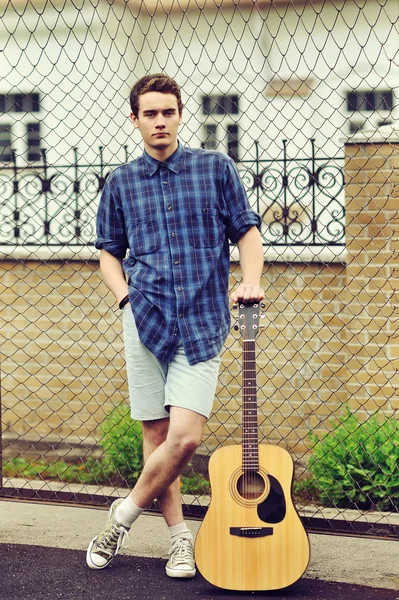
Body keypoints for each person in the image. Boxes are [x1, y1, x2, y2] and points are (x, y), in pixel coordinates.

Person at [87, 73, 265, 578]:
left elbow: (247, 233)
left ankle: (120, 517)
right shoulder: (121, 182)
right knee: (157, 433)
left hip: (204, 321)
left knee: (184, 438)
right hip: (144, 321)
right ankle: (179, 539)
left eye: (168, 112)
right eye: (150, 113)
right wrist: (125, 299)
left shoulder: (215, 169)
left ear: (181, 114)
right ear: (135, 119)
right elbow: (108, 253)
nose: (160, 121)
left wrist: (250, 281)